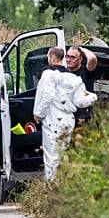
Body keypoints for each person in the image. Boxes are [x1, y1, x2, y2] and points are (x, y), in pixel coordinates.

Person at [33, 47, 97, 181]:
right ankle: (67, 184)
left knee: (52, 156)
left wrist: (38, 114)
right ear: (63, 58)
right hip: (69, 120)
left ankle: (52, 188)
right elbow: (80, 102)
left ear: (52, 57)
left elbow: (48, 96)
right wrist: (93, 97)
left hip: (54, 119)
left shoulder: (49, 74)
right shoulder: (74, 78)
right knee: (63, 153)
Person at [66, 45, 98, 123]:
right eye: (67, 56)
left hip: (85, 117)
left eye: (72, 57)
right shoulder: (64, 73)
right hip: (69, 116)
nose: (68, 60)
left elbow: (92, 58)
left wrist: (82, 49)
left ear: (80, 59)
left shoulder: (86, 71)